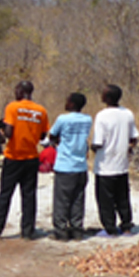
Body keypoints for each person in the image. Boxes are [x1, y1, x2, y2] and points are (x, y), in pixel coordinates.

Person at [0, 80, 49, 239]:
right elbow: (43, 135)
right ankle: (28, 231)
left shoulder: (12, 107)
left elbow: (9, 133)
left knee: (5, 194)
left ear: (21, 91)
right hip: (31, 158)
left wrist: (2, 129)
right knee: (29, 195)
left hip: (13, 157)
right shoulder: (41, 110)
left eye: (16, 90)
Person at [90, 84, 138, 236]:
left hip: (105, 165)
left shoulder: (102, 115)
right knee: (123, 198)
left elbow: (98, 142)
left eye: (104, 94)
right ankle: (126, 226)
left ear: (108, 98)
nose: (101, 96)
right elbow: (133, 137)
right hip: (122, 164)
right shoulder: (128, 113)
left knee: (105, 200)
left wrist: (91, 147)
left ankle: (110, 228)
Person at [48, 92, 92, 241]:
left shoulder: (62, 118)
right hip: (81, 166)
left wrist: (59, 140)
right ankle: (77, 230)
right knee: (77, 200)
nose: (65, 103)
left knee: (62, 200)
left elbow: (52, 136)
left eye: (67, 101)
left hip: (65, 165)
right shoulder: (87, 119)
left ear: (72, 104)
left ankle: (61, 231)